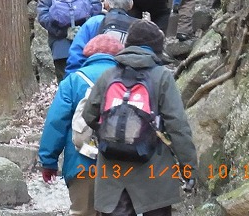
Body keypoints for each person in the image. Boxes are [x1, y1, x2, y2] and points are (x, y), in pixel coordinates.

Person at [81, 20, 198, 216]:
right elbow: (178, 127)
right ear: (156, 49)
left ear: (128, 44)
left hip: (112, 173)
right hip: (154, 173)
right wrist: (189, 169)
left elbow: (88, 115)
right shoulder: (162, 77)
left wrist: (111, 132)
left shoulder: (108, 75)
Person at [38, 34, 124, 216]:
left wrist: (49, 161)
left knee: (82, 212)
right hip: (121, 162)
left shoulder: (73, 81)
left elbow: (56, 121)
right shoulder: (128, 80)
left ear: (89, 55)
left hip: (82, 163)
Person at [37, 0, 102, 82]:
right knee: (88, 81)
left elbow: (43, 17)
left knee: (65, 83)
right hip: (86, 46)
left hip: (61, 50)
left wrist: (64, 32)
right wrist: (84, 30)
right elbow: (96, 8)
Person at [64, 0, 137, 77]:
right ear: (131, 4)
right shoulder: (138, 26)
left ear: (106, 4)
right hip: (130, 80)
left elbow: (76, 56)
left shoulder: (93, 23)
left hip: (96, 78)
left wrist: (73, 80)